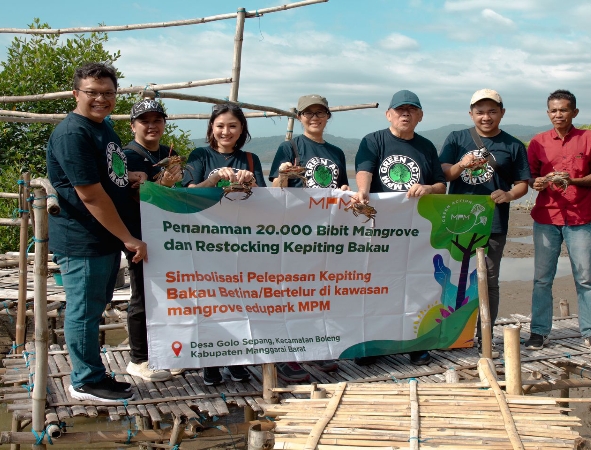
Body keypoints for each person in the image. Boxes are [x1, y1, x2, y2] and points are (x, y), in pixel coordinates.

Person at [47, 62, 147, 402]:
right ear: (76, 94)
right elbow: (90, 194)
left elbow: (108, 174)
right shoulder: (73, 133)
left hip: (101, 238)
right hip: (82, 239)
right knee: (84, 310)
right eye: (92, 92)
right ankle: (85, 381)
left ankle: (93, 371)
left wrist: (129, 176)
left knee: (94, 306)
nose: (101, 99)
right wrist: (128, 238)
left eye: (108, 93)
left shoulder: (102, 128)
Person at [353, 89, 447, 366]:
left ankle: (416, 345)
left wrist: (428, 187)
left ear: (419, 116)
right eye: (399, 110)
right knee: (376, 288)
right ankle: (372, 345)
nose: (405, 114)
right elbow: (365, 169)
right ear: (389, 114)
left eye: (411, 110)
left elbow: (442, 186)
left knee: (415, 285)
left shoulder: (427, 146)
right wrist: (363, 191)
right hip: (380, 230)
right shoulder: (373, 140)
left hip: (416, 232)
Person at [438, 89, 530, 353]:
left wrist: (509, 194)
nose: (486, 117)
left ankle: (484, 335)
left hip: (494, 222)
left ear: (502, 112)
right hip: (457, 220)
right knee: (455, 276)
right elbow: (445, 174)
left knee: (489, 279)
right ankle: (453, 335)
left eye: (492, 111)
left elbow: (523, 183)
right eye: (480, 112)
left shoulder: (513, 145)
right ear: (471, 114)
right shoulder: (456, 139)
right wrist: (461, 165)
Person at [182, 103, 266, 385]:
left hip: (241, 245)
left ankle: (237, 359)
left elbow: (266, 203)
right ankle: (211, 362)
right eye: (220, 126)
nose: (226, 131)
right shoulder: (200, 155)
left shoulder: (251, 160)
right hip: (206, 244)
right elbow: (190, 193)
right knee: (209, 304)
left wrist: (252, 183)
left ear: (242, 129)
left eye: (232, 126)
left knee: (240, 303)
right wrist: (215, 177)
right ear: (211, 128)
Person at [268, 94, 347, 382]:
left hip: (325, 232)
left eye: (320, 112)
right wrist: (283, 175)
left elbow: (339, 187)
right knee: (291, 293)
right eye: (308, 113)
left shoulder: (336, 152)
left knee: (319, 292)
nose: (314, 117)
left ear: (328, 116)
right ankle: (288, 356)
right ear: (299, 117)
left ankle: (315, 347)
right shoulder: (289, 146)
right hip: (294, 232)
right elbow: (275, 189)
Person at [525, 89, 591, 352]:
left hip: (581, 217)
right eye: (553, 110)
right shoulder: (538, 142)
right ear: (548, 113)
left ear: (575, 112)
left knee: (585, 277)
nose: (558, 114)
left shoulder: (589, 138)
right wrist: (536, 182)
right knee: (542, 278)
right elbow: (530, 177)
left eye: (563, 110)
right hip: (546, 217)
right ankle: (539, 332)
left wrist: (573, 181)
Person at [123, 99, 184, 382]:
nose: (151, 125)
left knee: (171, 294)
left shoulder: (170, 154)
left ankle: (168, 353)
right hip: (138, 235)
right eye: (144, 120)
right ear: (133, 124)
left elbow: (181, 198)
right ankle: (139, 359)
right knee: (142, 297)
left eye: (157, 120)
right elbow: (129, 199)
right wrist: (162, 187)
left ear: (164, 124)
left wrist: (176, 186)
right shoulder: (126, 156)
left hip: (169, 234)